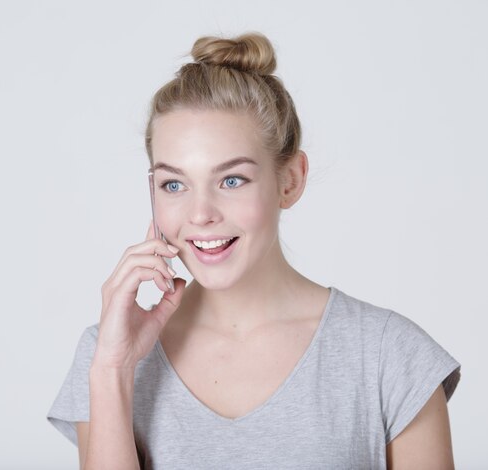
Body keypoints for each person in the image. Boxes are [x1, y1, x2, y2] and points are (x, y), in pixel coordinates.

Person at [47, 32, 461, 469]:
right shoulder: (108, 352)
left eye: (231, 180)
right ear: (152, 190)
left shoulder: (388, 356)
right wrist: (113, 369)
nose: (200, 214)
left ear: (290, 180)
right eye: (175, 184)